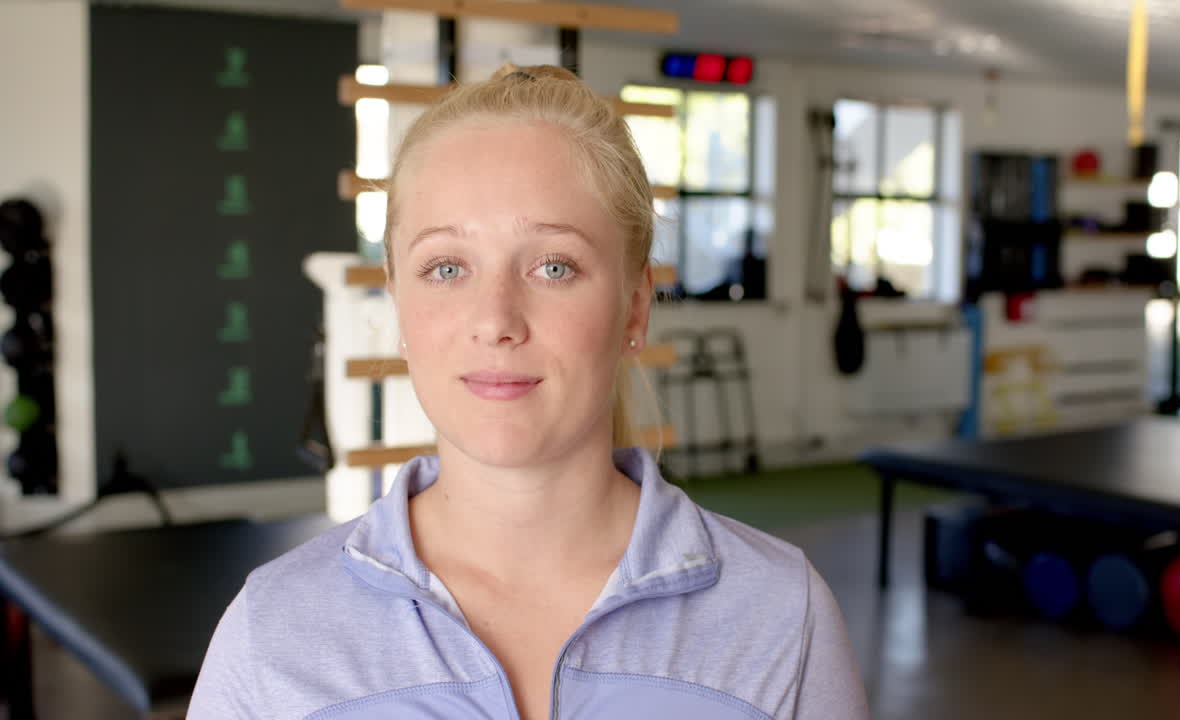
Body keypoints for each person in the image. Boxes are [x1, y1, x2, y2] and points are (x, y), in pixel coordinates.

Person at [189, 64, 868, 720]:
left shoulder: (780, 615)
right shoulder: (274, 633)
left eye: (553, 266)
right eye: (447, 267)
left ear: (635, 308)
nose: (496, 322)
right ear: (398, 303)